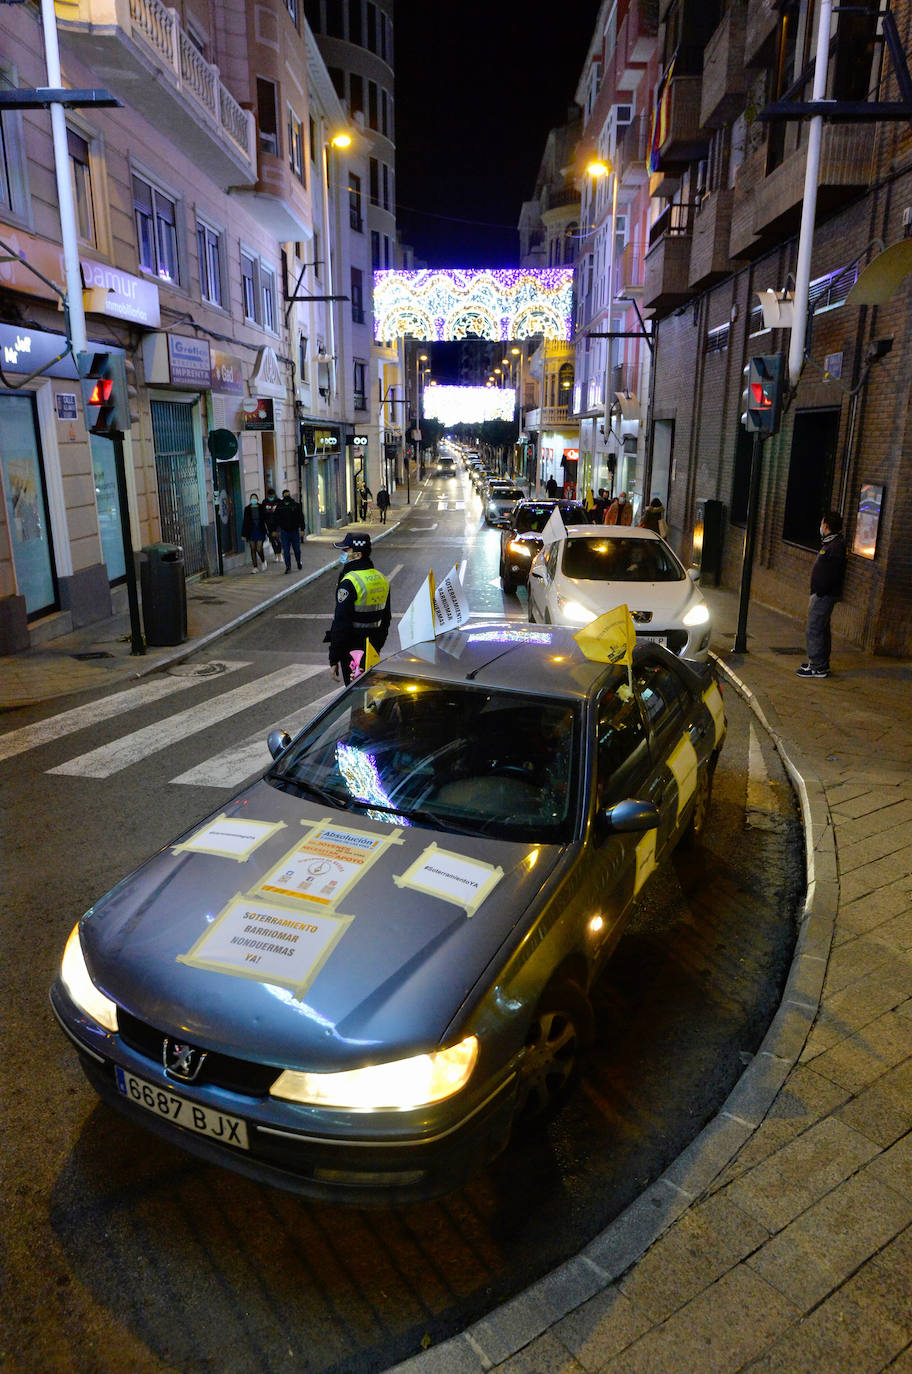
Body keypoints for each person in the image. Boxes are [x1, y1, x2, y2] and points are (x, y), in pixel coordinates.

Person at [328, 532, 391, 684]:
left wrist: (334, 657)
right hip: (372, 648)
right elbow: (386, 619)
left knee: (355, 697)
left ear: (357, 555)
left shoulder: (350, 582)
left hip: (352, 651)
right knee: (368, 695)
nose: (343, 554)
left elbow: (341, 623)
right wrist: (376, 646)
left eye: (346, 550)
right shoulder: (382, 578)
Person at [797, 510, 846, 678]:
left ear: (826, 526)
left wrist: (820, 591)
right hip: (822, 594)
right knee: (821, 628)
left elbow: (832, 573)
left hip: (823, 595)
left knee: (814, 628)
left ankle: (817, 666)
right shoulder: (831, 543)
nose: (820, 526)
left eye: (822, 523)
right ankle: (820, 663)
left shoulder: (835, 546)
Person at [275, 488, 306, 573]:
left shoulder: (295, 505)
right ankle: (288, 566)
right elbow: (276, 519)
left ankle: (298, 561)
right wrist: (276, 530)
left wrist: (302, 529)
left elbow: (301, 517)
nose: (287, 496)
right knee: (286, 550)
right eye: (285, 495)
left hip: (294, 531)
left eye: (287, 495)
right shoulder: (280, 506)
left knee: (296, 549)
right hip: (284, 531)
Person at [240, 492, 268, 573]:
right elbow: (245, 522)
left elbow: (266, 519)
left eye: (255, 498)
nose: (253, 500)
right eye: (252, 498)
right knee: (252, 548)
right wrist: (244, 534)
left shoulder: (261, 507)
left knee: (259, 548)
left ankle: (263, 561)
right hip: (251, 531)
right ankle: (255, 567)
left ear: (257, 499)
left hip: (260, 530)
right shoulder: (247, 509)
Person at [262, 486, 281, 562]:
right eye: (270, 496)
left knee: (278, 539)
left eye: (272, 495)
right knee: (272, 540)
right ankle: (276, 554)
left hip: (278, 524)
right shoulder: (265, 502)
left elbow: (280, 513)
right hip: (269, 525)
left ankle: (279, 553)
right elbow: (263, 513)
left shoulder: (278, 501)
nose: (271, 497)